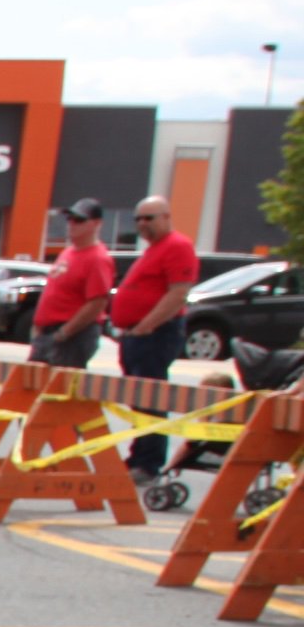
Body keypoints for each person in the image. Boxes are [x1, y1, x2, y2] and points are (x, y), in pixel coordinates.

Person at [111, 195, 205, 476]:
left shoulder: (177, 246)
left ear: (166, 217)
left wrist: (146, 325)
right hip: (135, 335)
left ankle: (147, 462)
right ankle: (139, 456)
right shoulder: (153, 249)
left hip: (156, 334)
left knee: (150, 398)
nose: (142, 224)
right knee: (138, 399)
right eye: (138, 218)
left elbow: (178, 292)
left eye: (149, 218)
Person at [30, 200, 113, 374]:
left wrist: (65, 333)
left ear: (96, 224)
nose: (72, 224)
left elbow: (97, 302)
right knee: (33, 384)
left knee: (60, 391)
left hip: (72, 335)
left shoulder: (97, 258)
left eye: (79, 220)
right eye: (70, 219)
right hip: (48, 333)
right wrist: (39, 326)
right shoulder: (68, 252)